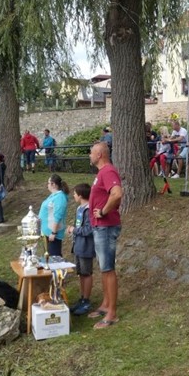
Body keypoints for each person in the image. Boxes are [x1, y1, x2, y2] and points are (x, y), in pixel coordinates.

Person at [87, 141, 123, 329]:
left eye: (91, 152)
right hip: (100, 227)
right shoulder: (102, 173)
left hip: (106, 227)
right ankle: (106, 304)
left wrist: (103, 211)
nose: (89, 155)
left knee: (108, 269)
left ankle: (112, 314)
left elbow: (117, 194)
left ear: (99, 154)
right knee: (104, 268)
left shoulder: (108, 171)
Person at [66, 183, 95, 316]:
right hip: (78, 246)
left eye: (75, 193)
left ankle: (86, 301)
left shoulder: (89, 210)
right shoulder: (79, 209)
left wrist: (74, 230)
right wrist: (72, 229)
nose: (73, 195)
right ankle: (82, 298)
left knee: (86, 273)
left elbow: (89, 229)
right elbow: (78, 226)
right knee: (81, 273)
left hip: (86, 247)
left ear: (81, 195)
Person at [39, 173, 69, 257]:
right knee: (48, 257)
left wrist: (53, 232)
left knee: (54, 258)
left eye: (48, 183)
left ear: (53, 184)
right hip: (46, 233)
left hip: (52, 235)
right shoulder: (53, 196)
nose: (47, 185)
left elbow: (58, 216)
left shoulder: (60, 197)